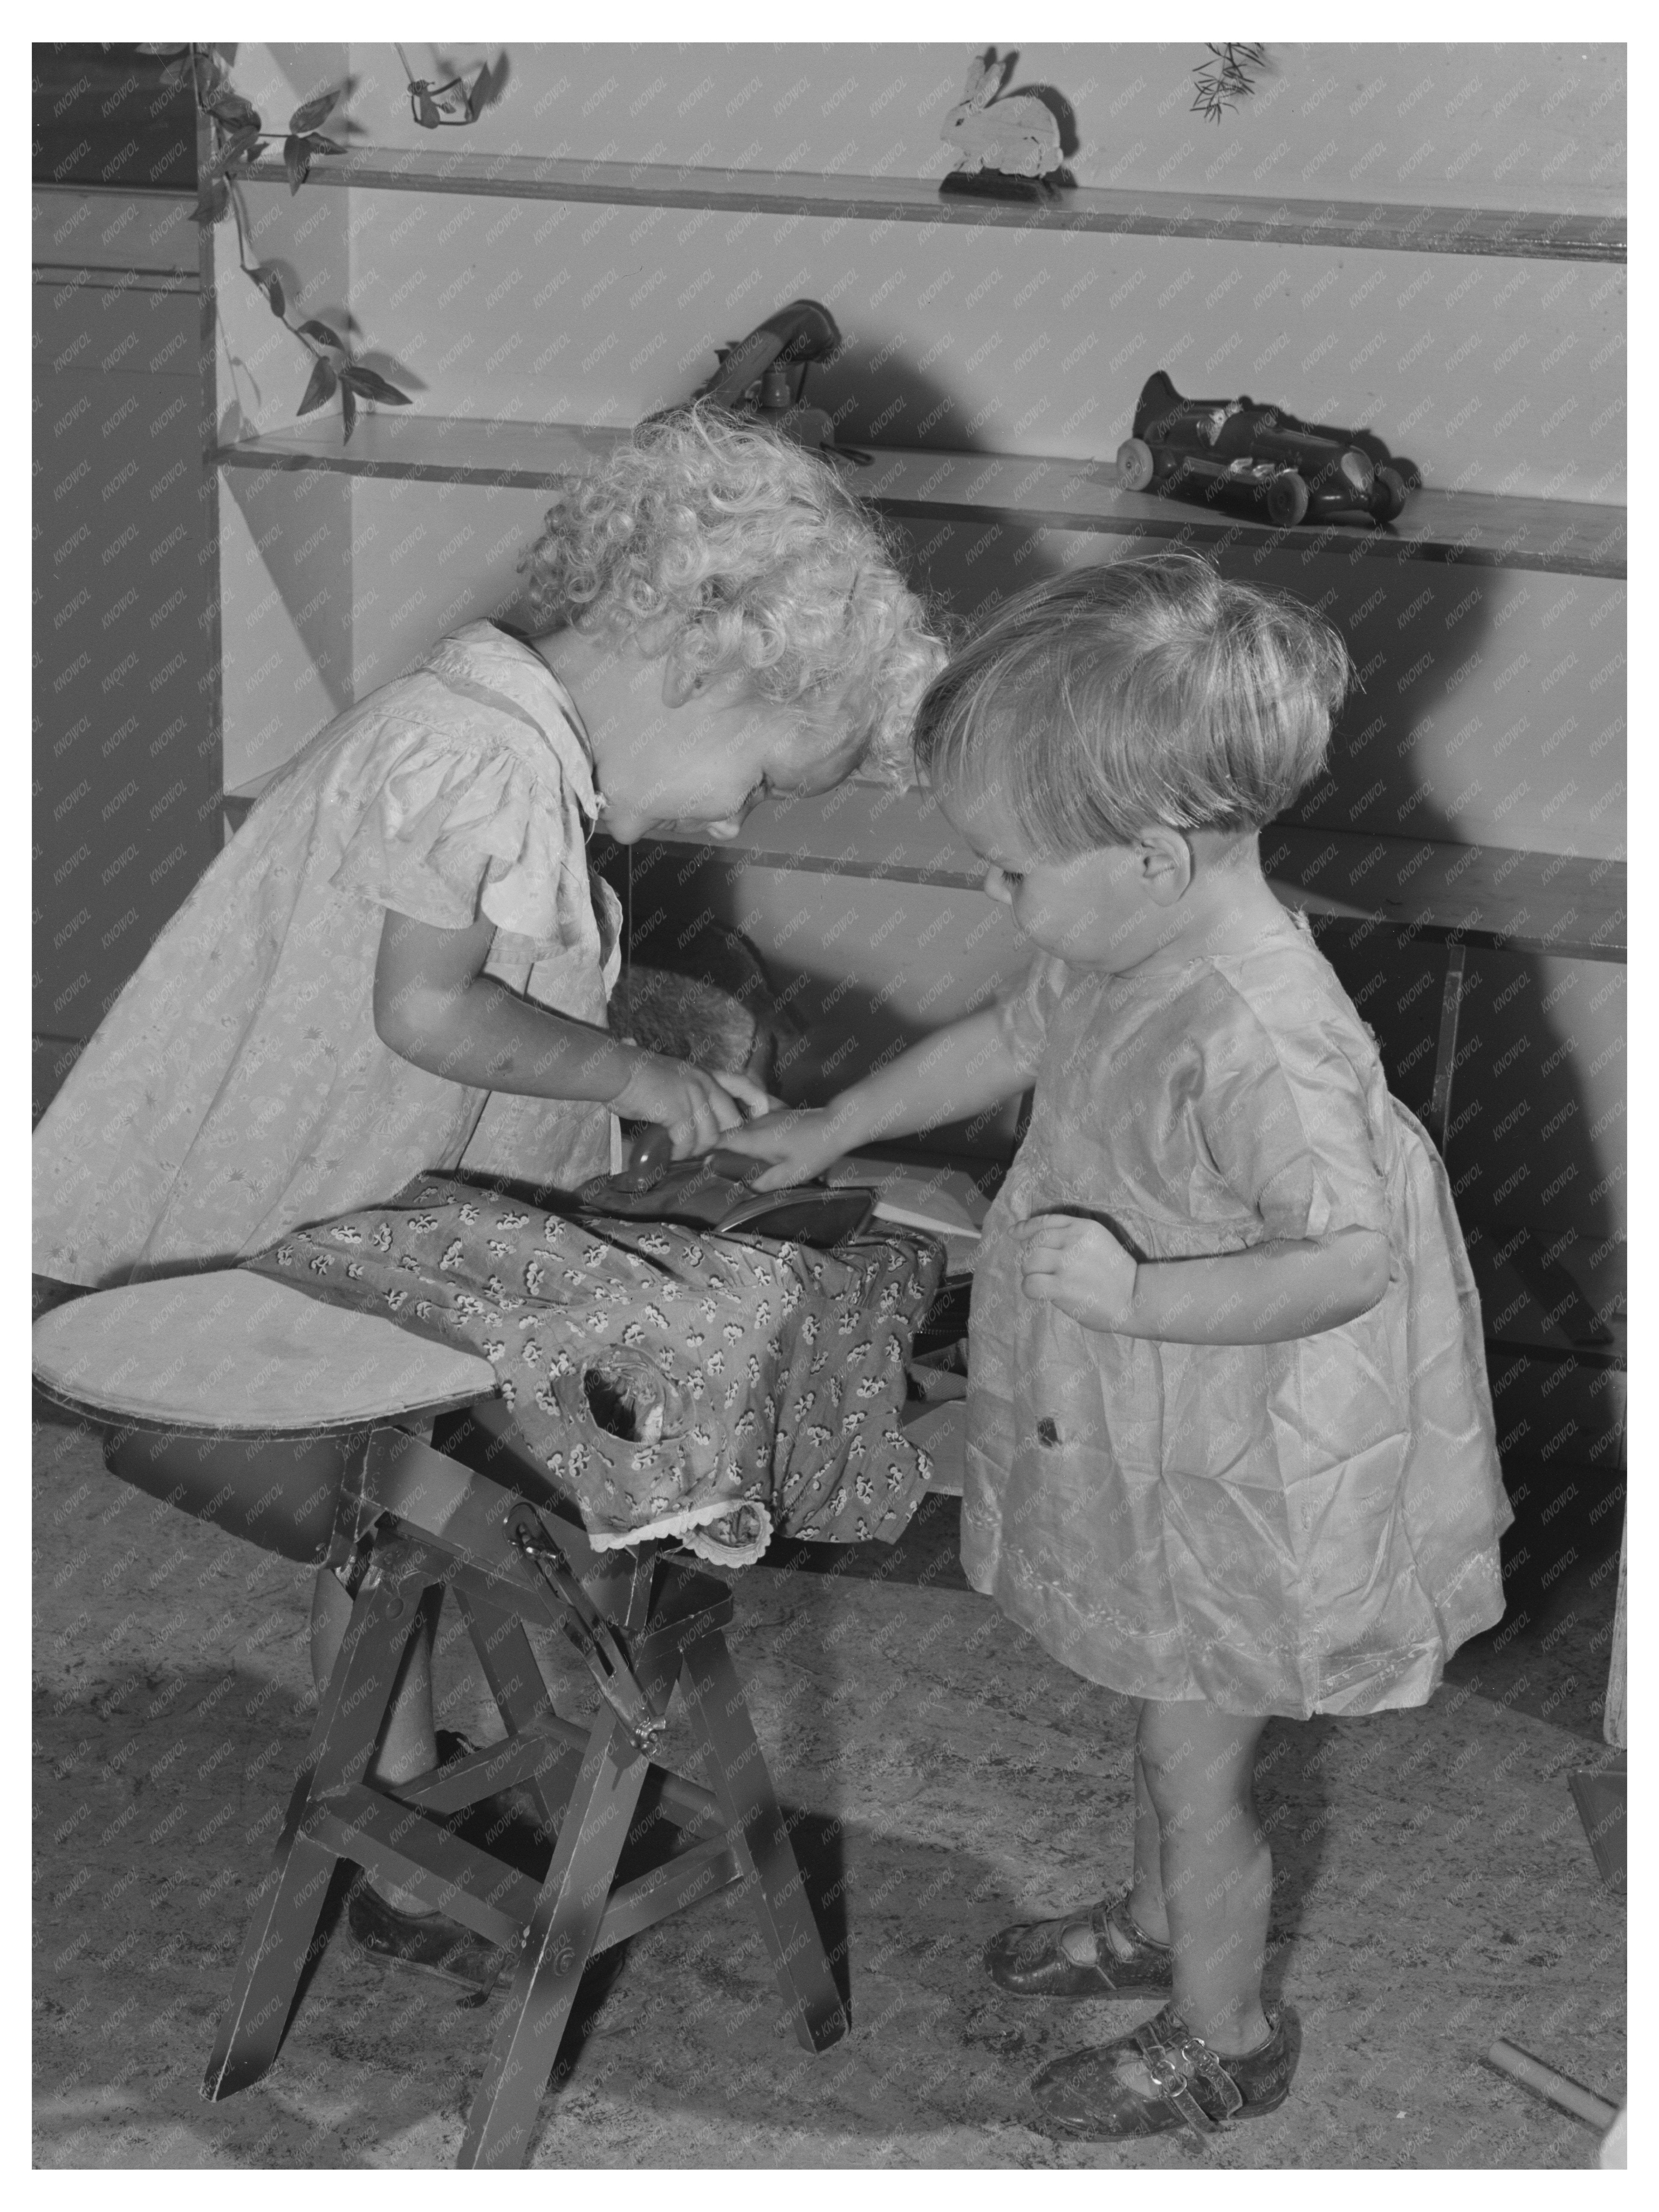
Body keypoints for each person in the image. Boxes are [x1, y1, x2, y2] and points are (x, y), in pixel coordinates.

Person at [34, 404, 943, 1986]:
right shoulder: (481, 760)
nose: (733, 819)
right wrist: (644, 1079)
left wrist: (652, 1051)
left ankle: (388, 1783)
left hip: (360, 1160)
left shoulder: (488, 723)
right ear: (695, 661)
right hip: (325, 1188)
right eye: (758, 774)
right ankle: (427, 1769)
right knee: (423, 1474)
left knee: (387, 1527)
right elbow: (432, 1013)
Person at [722, 553, 1510, 2138]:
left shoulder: (1266, 1033)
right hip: (1152, 1415)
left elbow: (1350, 1258)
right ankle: (1155, 1930)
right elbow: (1021, 1028)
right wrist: (843, 1118)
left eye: (1007, 868)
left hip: (1246, 1441)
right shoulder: (1122, 939)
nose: (991, 896)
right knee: (1152, 1703)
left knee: (1194, 1758)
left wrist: (1142, 1296)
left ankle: (1227, 2030)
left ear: (1153, 857)